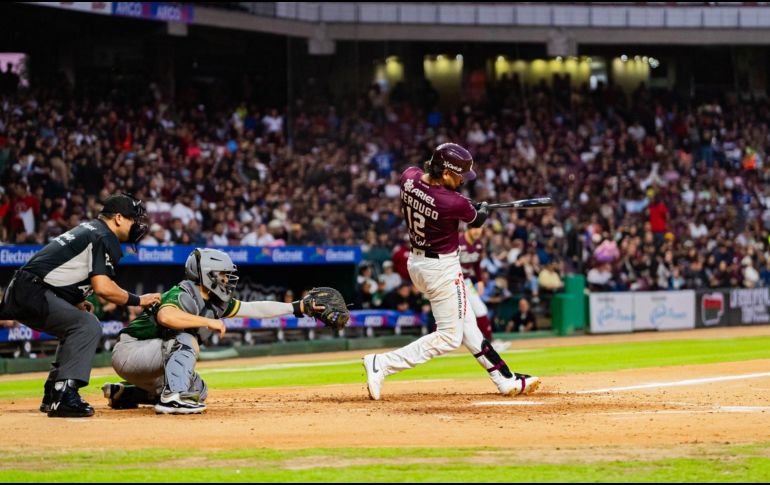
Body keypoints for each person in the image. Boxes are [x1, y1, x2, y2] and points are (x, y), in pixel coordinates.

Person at [362, 142, 540, 400]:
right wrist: (482, 210)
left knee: (469, 327)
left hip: (418, 263)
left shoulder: (408, 177)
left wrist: (473, 207)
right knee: (449, 337)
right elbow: (475, 218)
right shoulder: (452, 202)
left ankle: (504, 378)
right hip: (442, 269)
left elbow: (454, 203)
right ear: (445, 172)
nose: (462, 181)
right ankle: (383, 363)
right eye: (459, 176)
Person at [102, 248, 341, 414]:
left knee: (198, 390)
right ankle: (171, 400)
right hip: (130, 352)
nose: (227, 280)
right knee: (186, 338)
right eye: (223, 275)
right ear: (207, 274)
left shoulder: (216, 301)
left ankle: (127, 395)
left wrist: (297, 307)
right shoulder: (183, 293)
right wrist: (207, 322)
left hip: (151, 360)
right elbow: (166, 316)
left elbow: (254, 308)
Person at [0, 193, 161, 418]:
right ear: (118, 218)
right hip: (32, 291)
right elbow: (103, 287)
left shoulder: (91, 229)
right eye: (133, 219)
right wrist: (139, 300)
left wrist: (74, 299)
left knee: (76, 324)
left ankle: (53, 393)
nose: (137, 224)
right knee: (87, 326)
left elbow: (60, 268)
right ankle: (64, 394)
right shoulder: (105, 236)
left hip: (27, 288)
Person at [459, 226, 510, 352]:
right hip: (451, 280)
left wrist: (480, 280)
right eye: (475, 228)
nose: (477, 231)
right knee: (451, 314)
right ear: (468, 229)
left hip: (466, 280)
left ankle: (490, 343)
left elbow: (476, 265)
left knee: (481, 309)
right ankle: (438, 346)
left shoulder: (478, 245)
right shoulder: (458, 242)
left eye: (480, 228)